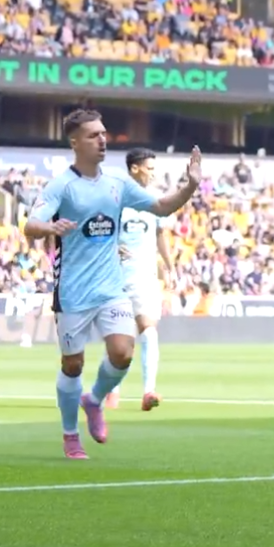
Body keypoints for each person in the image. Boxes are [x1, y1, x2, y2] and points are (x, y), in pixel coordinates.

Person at [24, 109, 201, 460]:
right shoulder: (62, 186)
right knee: (72, 365)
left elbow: (161, 207)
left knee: (123, 353)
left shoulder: (118, 181)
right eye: (93, 135)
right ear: (75, 142)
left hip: (111, 288)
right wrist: (50, 227)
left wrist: (191, 185)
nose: (102, 139)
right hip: (73, 291)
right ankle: (70, 435)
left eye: (104, 133)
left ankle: (93, 400)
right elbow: (31, 224)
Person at [106, 148, 175, 412]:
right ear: (135, 168)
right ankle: (112, 391)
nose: (153, 174)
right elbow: (100, 233)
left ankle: (148, 391)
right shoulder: (116, 199)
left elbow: (159, 234)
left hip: (145, 275)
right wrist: (112, 247)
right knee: (121, 337)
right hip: (117, 276)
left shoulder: (154, 201)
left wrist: (170, 265)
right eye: (150, 168)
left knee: (148, 330)